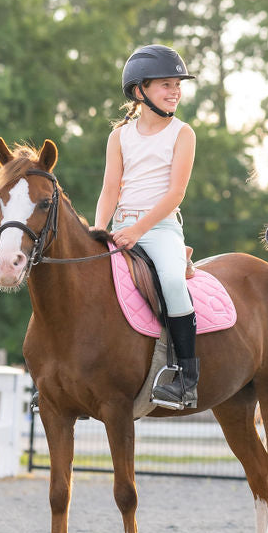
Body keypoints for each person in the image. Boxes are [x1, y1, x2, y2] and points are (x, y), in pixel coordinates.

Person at [94, 44, 199, 408]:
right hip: (119, 227)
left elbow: (176, 193)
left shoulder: (183, 134)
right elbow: (110, 190)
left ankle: (187, 378)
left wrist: (138, 230)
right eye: (166, 84)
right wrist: (98, 229)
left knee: (170, 280)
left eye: (177, 85)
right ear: (139, 91)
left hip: (160, 230)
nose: (175, 92)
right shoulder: (119, 137)